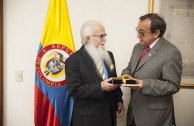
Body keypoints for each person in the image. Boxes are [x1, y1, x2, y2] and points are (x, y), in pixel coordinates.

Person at [122, 13, 182, 126]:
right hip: (134, 113)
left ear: (156, 33)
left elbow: (173, 85)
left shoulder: (171, 52)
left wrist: (144, 84)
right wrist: (126, 75)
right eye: (137, 30)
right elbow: (130, 68)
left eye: (142, 32)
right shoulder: (137, 47)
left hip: (155, 118)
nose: (138, 35)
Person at [65, 20, 125, 126]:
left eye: (105, 35)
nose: (104, 40)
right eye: (101, 36)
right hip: (88, 120)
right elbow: (74, 90)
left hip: (109, 116)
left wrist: (119, 100)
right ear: (88, 38)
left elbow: (114, 80)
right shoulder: (73, 60)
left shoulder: (109, 55)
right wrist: (100, 87)